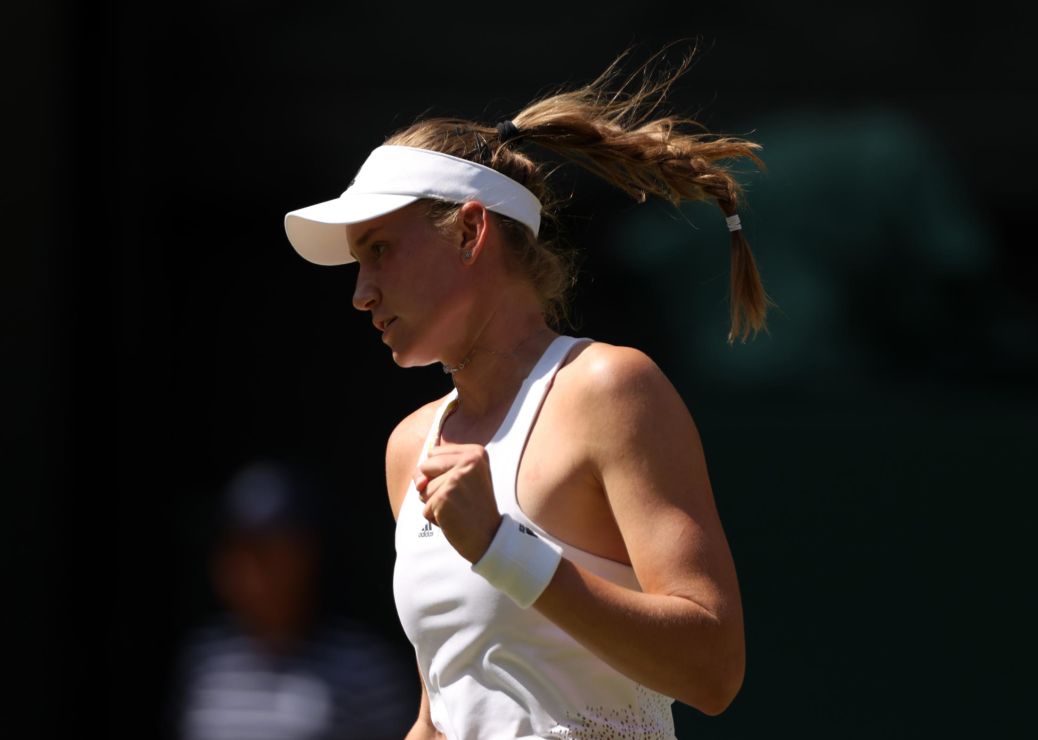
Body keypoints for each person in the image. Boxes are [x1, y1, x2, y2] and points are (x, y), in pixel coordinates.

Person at [283, 49, 768, 739]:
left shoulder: (610, 390)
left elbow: (713, 671)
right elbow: (443, 713)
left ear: (471, 232)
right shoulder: (409, 449)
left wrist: (502, 548)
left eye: (380, 250)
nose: (361, 293)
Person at [168, 458, 417, 740]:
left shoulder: (367, 669)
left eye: (267, 552)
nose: (249, 568)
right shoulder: (203, 661)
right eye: (239, 549)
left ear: (307, 556)